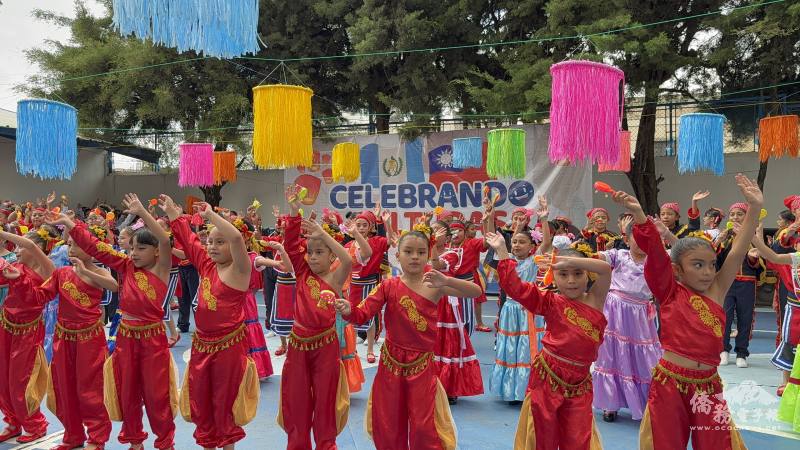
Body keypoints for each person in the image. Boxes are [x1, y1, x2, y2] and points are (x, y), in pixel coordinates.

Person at [616, 173, 759, 450]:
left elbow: (738, 252)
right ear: (678, 270)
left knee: (716, 443)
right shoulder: (669, 291)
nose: (707, 272)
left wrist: (753, 208)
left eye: (710, 264)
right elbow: (656, 255)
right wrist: (640, 217)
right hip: (670, 383)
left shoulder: (717, 289)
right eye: (697, 265)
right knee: (667, 443)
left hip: (708, 385)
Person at [334, 229, 480, 450]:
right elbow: (362, 313)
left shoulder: (434, 284)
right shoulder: (388, 286)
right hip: (391, 364)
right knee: (388, 421)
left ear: (427, 255)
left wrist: (446, 280)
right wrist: (347, 309)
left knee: (424, 425)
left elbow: (475, 291)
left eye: (421, 252)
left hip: (422, 366)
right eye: (408, 251)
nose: (415, 257)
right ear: (397, 256)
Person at [55, 195, 179, 450]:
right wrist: (71, 224)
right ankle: (135, 441)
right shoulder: (124, 266)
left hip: (152, 340)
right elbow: (96, 247)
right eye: (131, 249)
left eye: (141, 249)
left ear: (156, 252)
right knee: (127, 392)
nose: (134, 254)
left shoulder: (161, 269)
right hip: (126, 337)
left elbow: (165, 239)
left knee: (156, 395)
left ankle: (165, 442)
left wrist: (142, 212)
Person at [487, 227, 612, 450]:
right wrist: (504, 254)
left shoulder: (595, 299)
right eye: (563, 275)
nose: (571, 280)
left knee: (578, 437)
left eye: (578, 273)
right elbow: (515, 288)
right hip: (548, 376)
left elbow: (605, 269)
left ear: (587, 274)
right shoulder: (550, 301)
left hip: (580, 382)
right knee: (543, 432)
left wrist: (564, 259)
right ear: (553, 276)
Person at [160, 196, 260, 450]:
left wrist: (211, 216)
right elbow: (191, 242)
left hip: (229, 348)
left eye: (220, 242)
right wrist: (174, 215)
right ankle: (207, 445)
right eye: (211, 241)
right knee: (201, 400)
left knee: (225, 402)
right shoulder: (207, 265)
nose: (212, 247)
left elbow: (237, 238)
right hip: (202, 346)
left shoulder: (240, 270)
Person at [9, 228, 117, 450]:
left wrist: (85, 270)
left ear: (91, 248)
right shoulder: (61, 272)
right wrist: (20, 280)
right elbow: (40, 297)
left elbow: (114, 286)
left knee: (89, 389)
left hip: (90, 339)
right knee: (63, 387)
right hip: (63, 337)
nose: (71, 249)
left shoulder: (100, 272)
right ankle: (72, 435)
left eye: (76, 244)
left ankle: (96, 438)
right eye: (69, 244)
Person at [278, 185, 352, 450]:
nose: (312, 257)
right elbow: (291, 243)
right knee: (296, 401)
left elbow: (348, 260)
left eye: (319, 253)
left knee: (325, 400)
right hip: (298, 345)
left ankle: (326, 444)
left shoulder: (334, 277)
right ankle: (297, 444)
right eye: (310, 252)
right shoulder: (302, 272)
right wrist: (294, 211)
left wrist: (323, 235)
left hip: (325, 347)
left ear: (330, 255)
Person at [591, 216, 662, 423]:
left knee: (645, 357)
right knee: (611, 354)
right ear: (627, 238)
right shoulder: (618, 255)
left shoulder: (655, 260)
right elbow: (594, 258)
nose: (641, 244)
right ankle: (609, 404)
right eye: (636, 239)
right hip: (615, 310)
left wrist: (665, 234)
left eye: (646, 240)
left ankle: (648, 402)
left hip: (641, 313)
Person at [0, 228, 56, 443]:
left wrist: (4, 233)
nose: (18, 250)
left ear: (38, 249)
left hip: (28, 331)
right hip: (7, 325)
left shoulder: (46, 268)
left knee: (20, 382)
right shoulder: (17, 266)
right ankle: (13, 423)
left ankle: (36, 425)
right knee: (3, 380)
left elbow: (31, 244)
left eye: (22, 246)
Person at [749, 225, 800, 412]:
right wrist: (756, 238)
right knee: (789, 345)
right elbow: (773, 257)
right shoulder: (795, 259)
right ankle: (786, 382)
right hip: (795, 310)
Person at [488, 228, 539, 404]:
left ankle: (526, 389)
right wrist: (490, 217)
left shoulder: (535, 261)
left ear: (532, 246)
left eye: (522, 242)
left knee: (525, 348)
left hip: (527, 310)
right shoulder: (506, 260)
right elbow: (492, 239)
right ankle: (511, 390)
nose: (516, 245)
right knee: (510, 347)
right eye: (515, 242)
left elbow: (546, 244)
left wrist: (545, 220)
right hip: (509, 309)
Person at [714, 202, 764, 368]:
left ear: (747, 216)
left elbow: (761, 261)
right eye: (732, 214)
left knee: (745, 318)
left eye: (739, 214)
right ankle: (723, 350)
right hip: (727, 282)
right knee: (724, 317)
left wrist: (752, 257)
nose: (735, 217)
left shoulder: (754, 235)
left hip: (747, 283)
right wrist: (717, 242)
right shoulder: (725, 235)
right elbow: (715, 260)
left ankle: (742, 353)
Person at [346, 208, 391, 363]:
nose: (361, 228)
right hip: (354, 284)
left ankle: (371, 350)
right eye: (358, 225)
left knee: (370, 318)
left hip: (370, 284)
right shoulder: (350, 244)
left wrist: (387, 224)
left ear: (371, 227)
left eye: (364, 225)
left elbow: (391, 241)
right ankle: (352, 349)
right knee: (350, 316)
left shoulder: (377, 241)